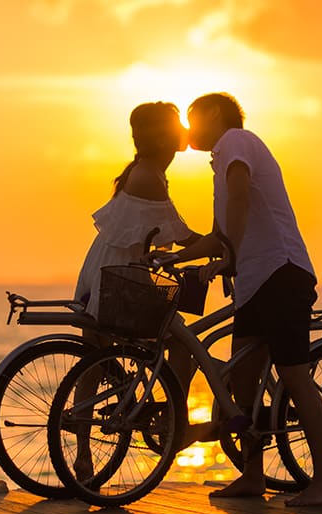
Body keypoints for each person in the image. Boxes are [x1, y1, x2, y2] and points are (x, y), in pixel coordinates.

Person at [155, 93, 322, 506]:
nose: (188, 129)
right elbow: (219, 231)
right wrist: (177, 255)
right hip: (255, 283)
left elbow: (238, 200)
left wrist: (228, 255)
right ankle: (253, 476)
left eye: (192, 118)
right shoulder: (222, 160)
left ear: (215, 114)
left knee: (294, 374)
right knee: (241, 379)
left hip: (282, 272)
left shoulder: (236, 141)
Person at [72, 101, 200, 481]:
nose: (185, 129)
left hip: (105, 275)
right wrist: (226, 245)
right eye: (178, 124)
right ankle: (174, 421)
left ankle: (82, 457)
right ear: (162, 135)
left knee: (93, 361)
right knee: (183, 346)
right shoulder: (149, 177)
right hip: (121, 281)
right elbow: (181, 234)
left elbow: (160, 236)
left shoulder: (145, 171)